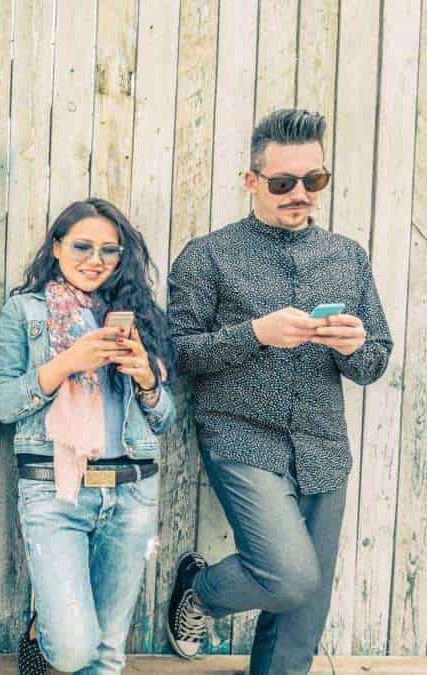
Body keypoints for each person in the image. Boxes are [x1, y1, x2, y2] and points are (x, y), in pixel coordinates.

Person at [165, 109, 392, 674]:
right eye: (283, 182)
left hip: (322, 445)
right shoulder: (208, 255)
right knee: (290, 577)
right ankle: (199, 590)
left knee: (301, 624)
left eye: (313, 181)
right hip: (241, 437)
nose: (300, 194)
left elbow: (374, 361)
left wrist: (353, 346)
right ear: (251, 181)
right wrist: (255, 334)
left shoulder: (348, 257)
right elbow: (177, 353)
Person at [0, 198, 177, 674]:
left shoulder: (138, 316)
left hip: (132, 491)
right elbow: (5, 404)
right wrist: (67, 363)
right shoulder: (24, 312)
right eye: (82, 246)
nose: (95, 260)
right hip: (56, 491)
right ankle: (42, 629)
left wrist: (146, 381)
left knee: (107, 654)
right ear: (56, 248)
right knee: (74, 650)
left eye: (109, 251)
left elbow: (164, 419)